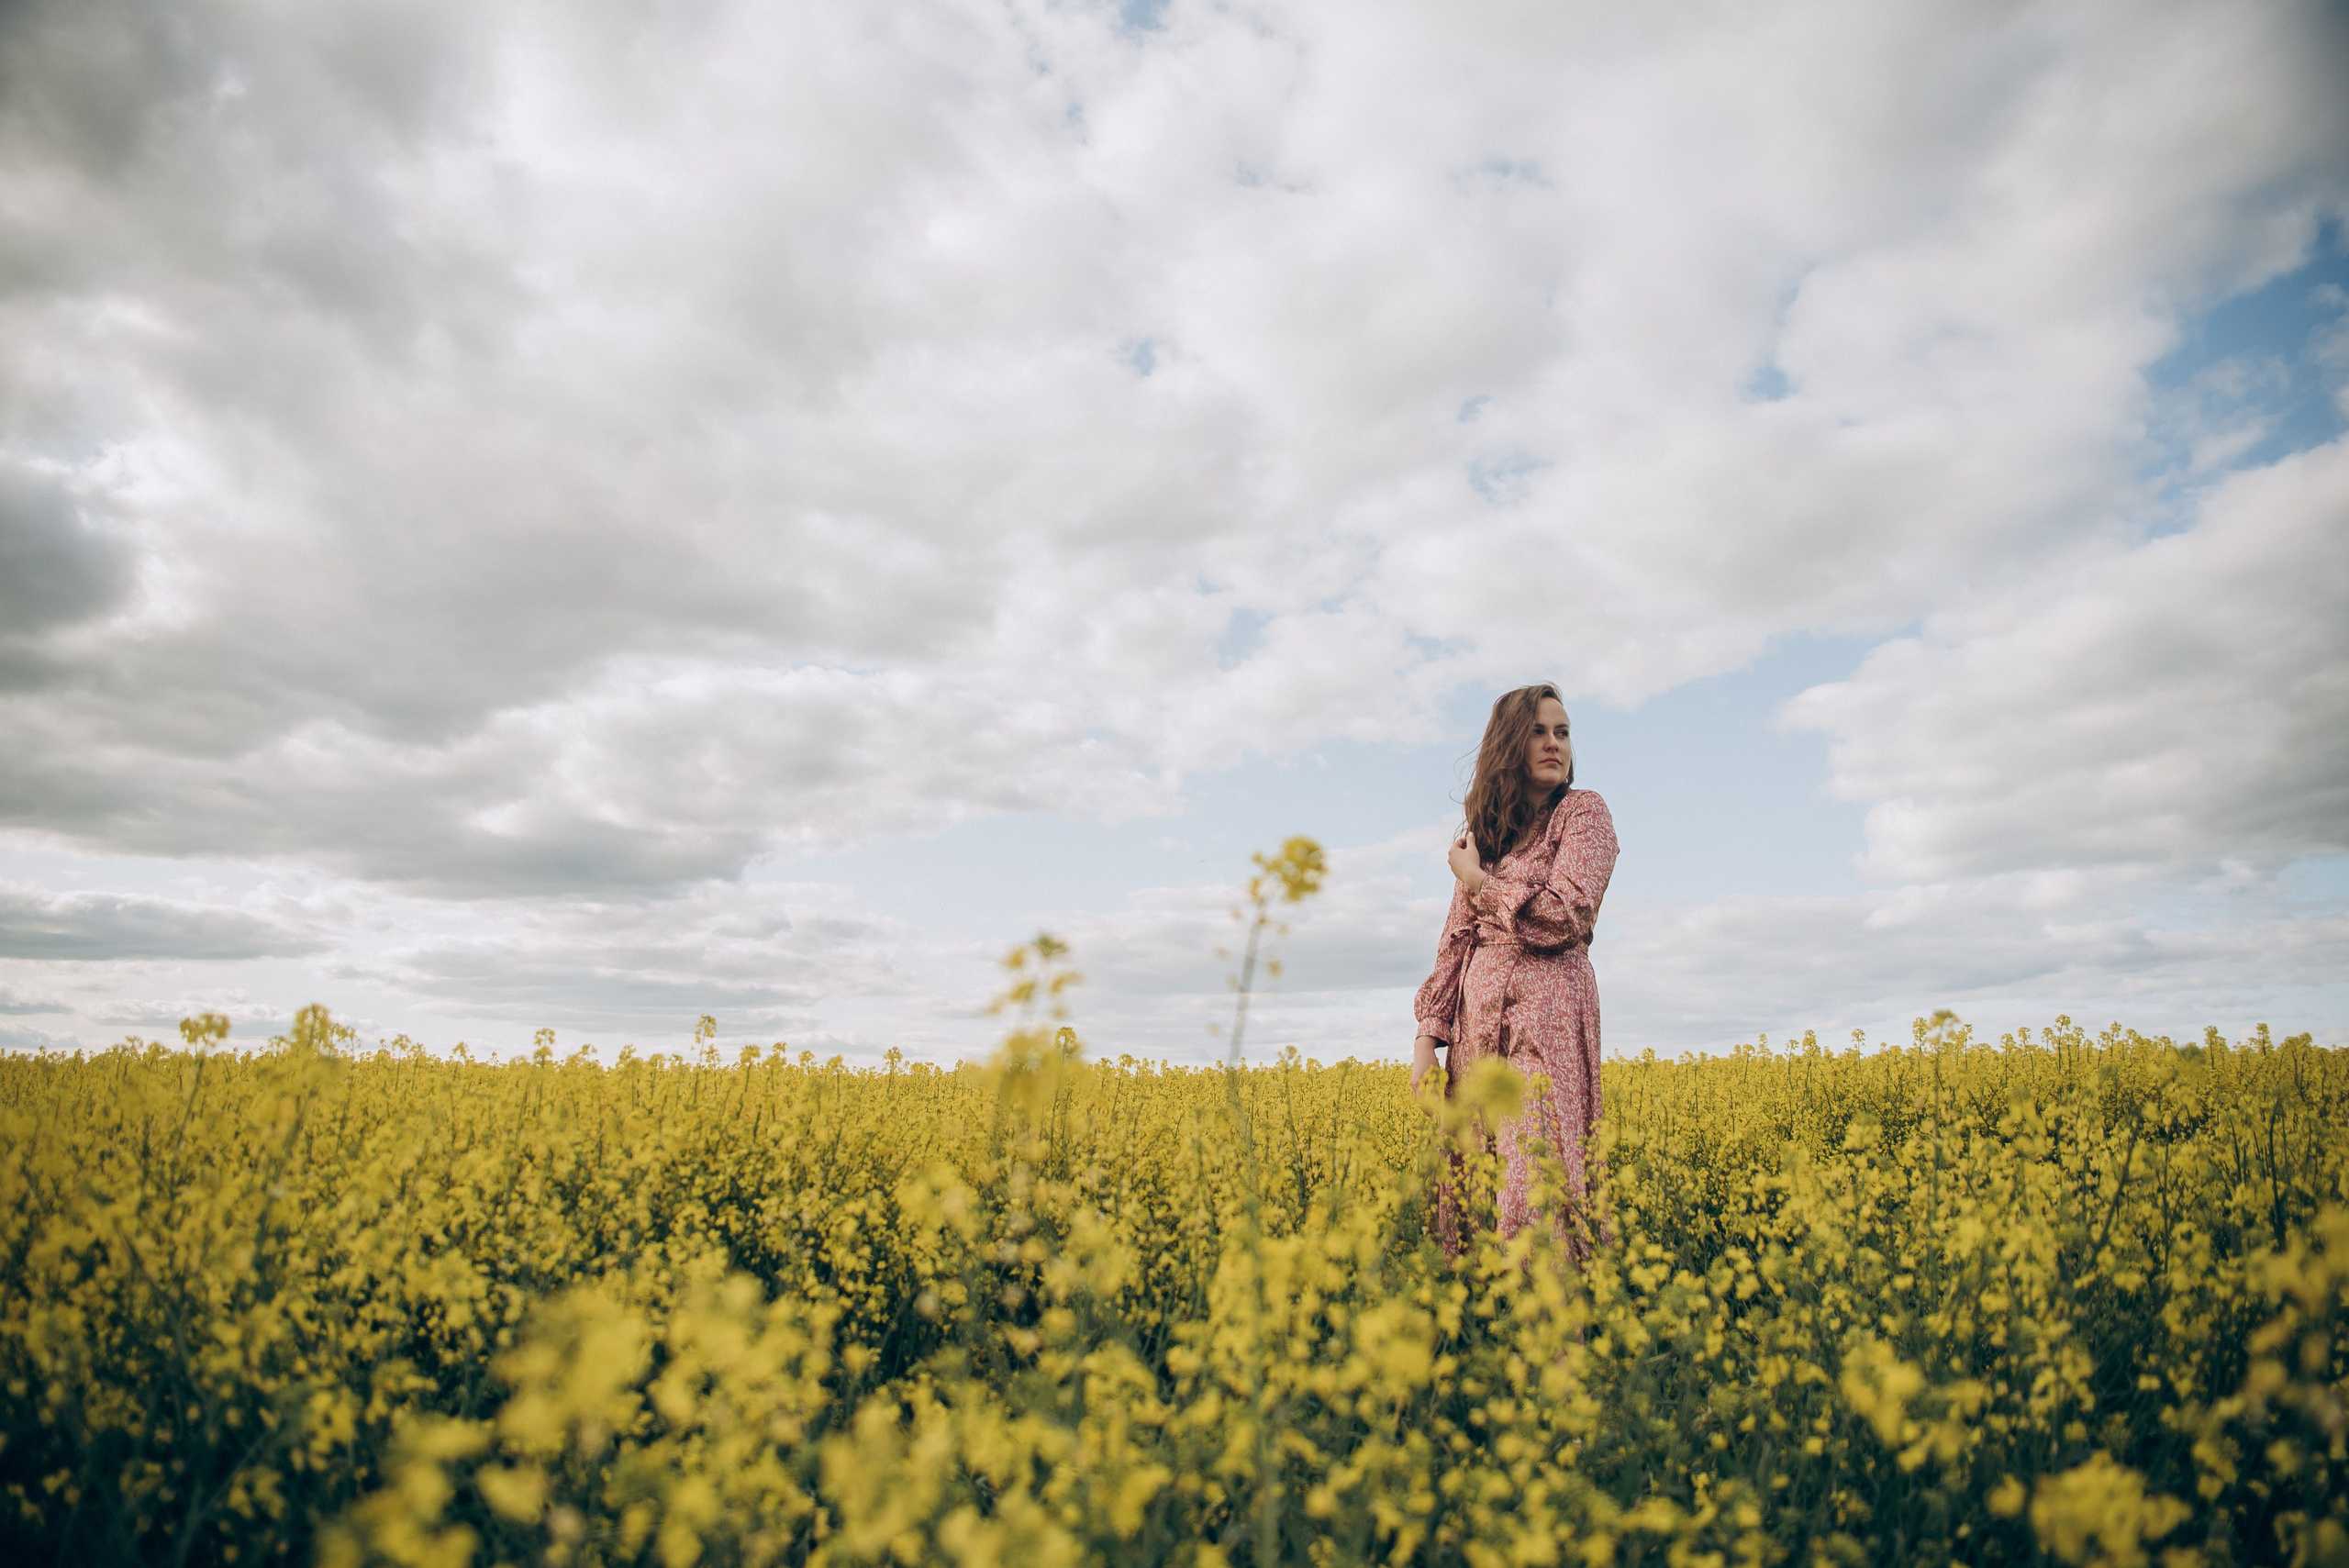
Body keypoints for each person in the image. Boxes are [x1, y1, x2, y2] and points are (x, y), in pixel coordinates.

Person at [1409, 683, 1618, 1255]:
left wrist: (1478, 882)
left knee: (1539, 1191)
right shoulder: (1487, 838)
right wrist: (1428, 1041)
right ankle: (1483, 1339)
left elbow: (1564, 916)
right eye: (1538, 732)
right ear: (1508, 745)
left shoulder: (1583, 814)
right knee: (1472, 1193)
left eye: (1564, 732)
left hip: (1545, 1030)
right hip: (1476, 1038)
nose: (1555, 744)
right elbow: (1455, 943)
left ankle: (1556, 1341)